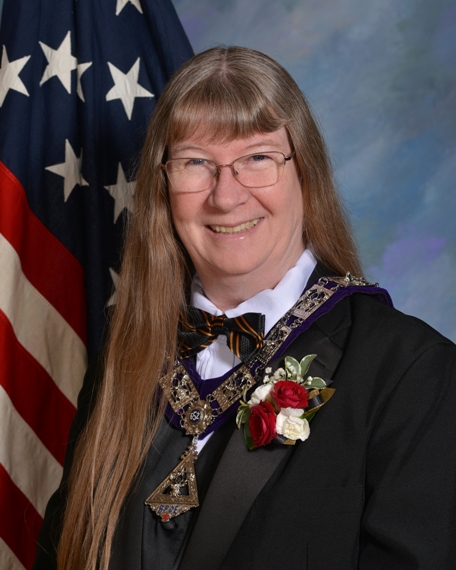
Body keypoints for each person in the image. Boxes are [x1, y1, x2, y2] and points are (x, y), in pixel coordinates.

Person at [33, 46, 456, 570]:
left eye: (257, 158)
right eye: (195, 162)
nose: (226, 196)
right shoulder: (124, 357)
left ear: (306, 172)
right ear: (163, 185)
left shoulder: (411, 371)